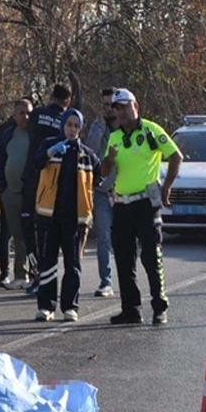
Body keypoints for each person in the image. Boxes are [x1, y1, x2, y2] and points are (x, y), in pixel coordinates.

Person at [102, 88, 182, 326]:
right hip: (121, 205)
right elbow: (104, 171)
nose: (121, 112)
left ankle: (160, 307)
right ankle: (131, 310)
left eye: (124, 107)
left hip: (146, 204)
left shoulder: (150, 130)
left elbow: (176, 156)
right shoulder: (115, 137)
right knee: (124, 260)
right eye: (117, 109)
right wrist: (109, 159)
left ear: (135, 106)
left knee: (150, 256)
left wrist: (166, 187)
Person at [32, 109, 98, 322]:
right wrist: (50, 152)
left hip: (75, 219)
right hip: (48, 216)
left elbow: (99, 176)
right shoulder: (49, 144)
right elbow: (36, 164)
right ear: (63, 125)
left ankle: (70, 306)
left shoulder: (86, 154)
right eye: (69, 124)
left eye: (76, 126)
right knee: (47, 262)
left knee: (73, 264)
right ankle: (46, 306)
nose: (72, 129)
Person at [22, 84, 72, 293]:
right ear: (67, 101)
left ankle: (36, 274)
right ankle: (45, 276)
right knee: (45, 230)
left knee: (28, 226)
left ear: (51, 96)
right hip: (51, 183)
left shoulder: (37, 114)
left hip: (32, 177)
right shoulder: (66, 122)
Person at [0, 98, 33, 290]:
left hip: (30, 194)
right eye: (21, 113)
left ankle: (35, 275)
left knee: (31, 235)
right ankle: (19, 275)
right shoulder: (7, 134)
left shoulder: (36, 135)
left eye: (29, 113)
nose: (25, 117)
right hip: (10, 193)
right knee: (17, 235)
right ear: (14, 115)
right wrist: (2, 188)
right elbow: (0, 160)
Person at [84, 89, 117, 297]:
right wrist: (100, 126)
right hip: (102, 191)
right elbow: (90, 151)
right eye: (105, 105)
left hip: (123, 191)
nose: (109, 109)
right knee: (104, 237)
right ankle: (106, 281)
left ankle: (128, 278)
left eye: (112, 105)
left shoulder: (126, 127)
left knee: (124, 238)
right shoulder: (97, 127)